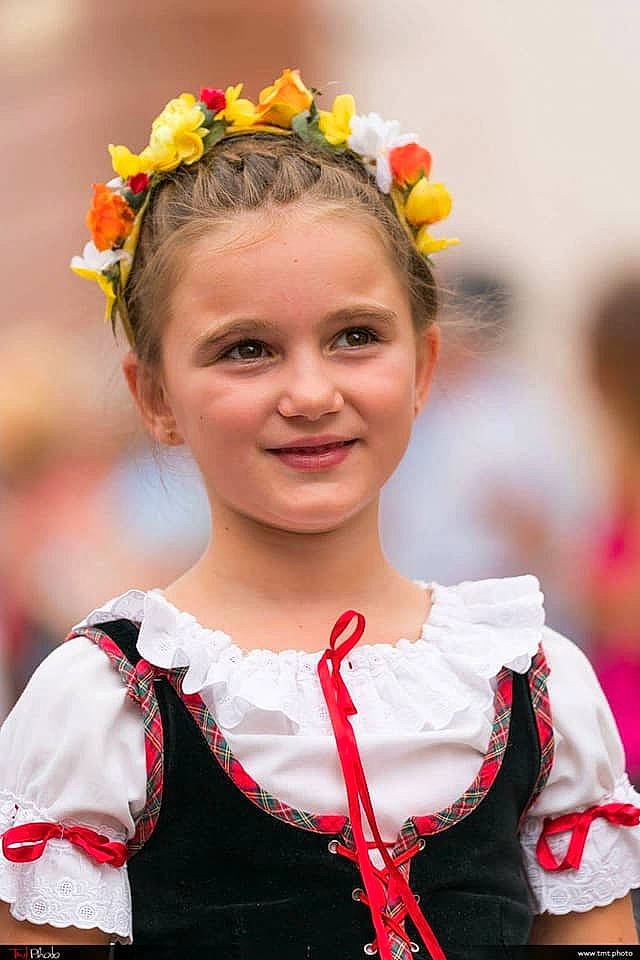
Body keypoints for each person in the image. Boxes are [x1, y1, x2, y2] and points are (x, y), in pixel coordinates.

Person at [0, 69, 638, 958]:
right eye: (246, 349)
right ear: (154, 398)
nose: (310, 392)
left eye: (355, 337)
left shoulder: (538, 684)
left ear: (422, 366)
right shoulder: (105, 704)